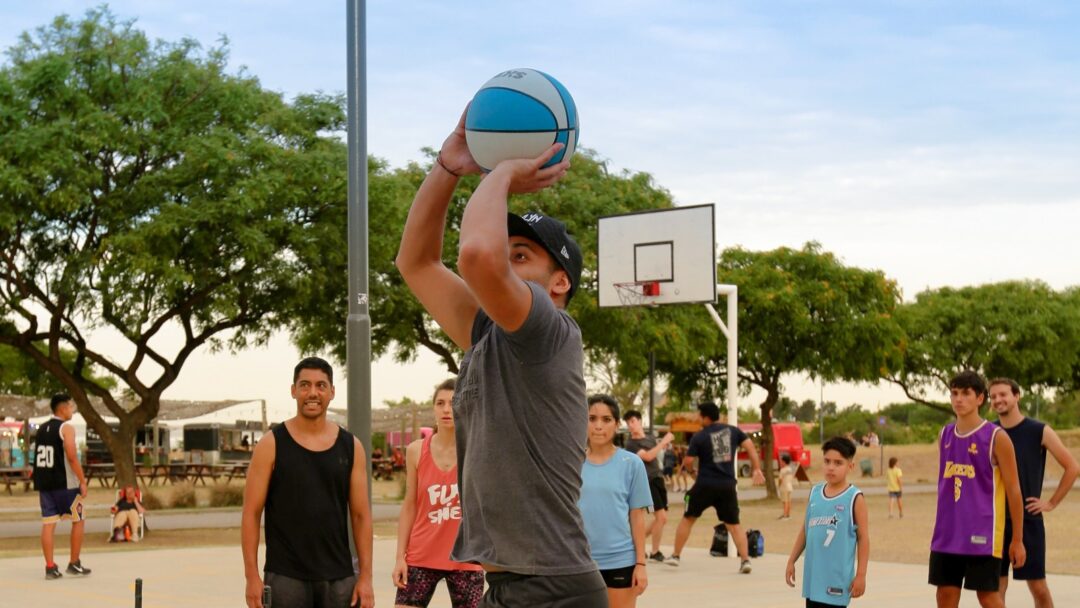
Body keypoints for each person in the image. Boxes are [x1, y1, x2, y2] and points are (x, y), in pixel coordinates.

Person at [395, 107, 604, 606]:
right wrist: (447, 167)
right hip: (515, 586)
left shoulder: (549, 330)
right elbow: (416, 261)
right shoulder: (488, 334)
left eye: (522, 256)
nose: (506, 263)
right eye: (505, 251)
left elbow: (477, 256)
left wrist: (503, 173)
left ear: (560, 282)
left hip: (552, 590)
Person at [241, 357, 374, 608]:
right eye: (305, 385)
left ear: (332, 392)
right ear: (294, 390)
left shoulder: (351, 446)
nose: (312, 393)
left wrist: (366, 577)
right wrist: (251, 576)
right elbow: (251, 513)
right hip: (285, 578)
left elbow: (361, 516)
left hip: (339, 578)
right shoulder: (271, 444)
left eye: (321, 385)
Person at [929, 371, 1025, 608]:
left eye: (965, 394)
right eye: (954, 393)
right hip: (948, 532)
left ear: (980, 398)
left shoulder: (996, 437)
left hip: (983, 533)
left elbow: (1014, 491)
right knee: (945, 595)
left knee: (988, 597)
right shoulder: (945, 434)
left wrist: (1017, 540)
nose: (958, 399)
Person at [392, 378, 484, 608]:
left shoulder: (476, 449)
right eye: (440, 403)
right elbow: (410, 505)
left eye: (453, 403)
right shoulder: (416, 450)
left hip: (466, 558)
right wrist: (400, 557)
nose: (446, 409)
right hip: (421, 556)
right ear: (433, 408)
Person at [991, 377, 1079, 608]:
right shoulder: (989, 432)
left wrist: (1051, 503)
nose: (998, 400)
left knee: (1038, 588)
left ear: (1016, 396)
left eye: (1003, 394)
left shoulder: (1039, 430)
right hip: (996, 521)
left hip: (1029, 520)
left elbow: (1072, 467)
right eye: (993, 396)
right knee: (996, 588)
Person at [665, 401, 765, 573]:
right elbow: (750, 447)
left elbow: (688, 460)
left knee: (688, 518)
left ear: (705, 417)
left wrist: (692, 472)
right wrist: (756, 469)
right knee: (734, 524)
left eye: (699, 416)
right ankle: (745, 561)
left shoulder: (699, 436)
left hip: (705, 484)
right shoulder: (733, 431)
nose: (698, 418)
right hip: (727, 485)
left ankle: (675, 555)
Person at [580, 395, 652, 608]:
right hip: (578, 563)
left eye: (606, 419)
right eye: (592, 418)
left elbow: (637, 517)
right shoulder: (571, 463)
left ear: (617, 424)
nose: (598, 426)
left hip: (620, 562)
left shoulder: (632, 464)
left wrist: (641, 564)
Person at [785, 436, 869, 607]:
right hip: (814, 580)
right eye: (827, 461)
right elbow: (805, 530)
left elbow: (863, 539)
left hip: (837, 582)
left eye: (838, 463)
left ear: (850, 466)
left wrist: (861, 575)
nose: (831, 467)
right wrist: (791, 560)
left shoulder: (854, 498)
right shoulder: (815, 493)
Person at [31, 393, 91, 580]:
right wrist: (82, 480)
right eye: (71, 406)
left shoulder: (41, 429)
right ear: (63, 408)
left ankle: (50, 567)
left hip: (44, 482)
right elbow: (71, 456)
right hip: (65, 483)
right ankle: (74, 563)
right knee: (78, 519)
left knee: (48, 524)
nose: (72, 410)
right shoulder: (66, 428)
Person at [622, 409, 674, 563]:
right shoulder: (631, 444)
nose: (630, 425)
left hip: (658, 479)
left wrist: (664, 443)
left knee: (662, 519)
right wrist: (663, 442)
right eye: (628, 423)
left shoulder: (650, 438)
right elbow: (649, 456)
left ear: (640, 421)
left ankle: (634, 543)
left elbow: (656, 453)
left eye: (632, 421)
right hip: (647, 482)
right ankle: (655, 551)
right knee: (660, 517)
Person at [777, 453, 795, 520]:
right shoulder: (790, 469)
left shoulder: (782, 470)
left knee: (785, 502)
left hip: (784, 487)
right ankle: (788, 514)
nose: (780, 462)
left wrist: (779, 485)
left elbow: (780, 479)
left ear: (784, 462)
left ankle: (784, 515)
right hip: (790, 486)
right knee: (789, 501)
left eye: (781, 461)